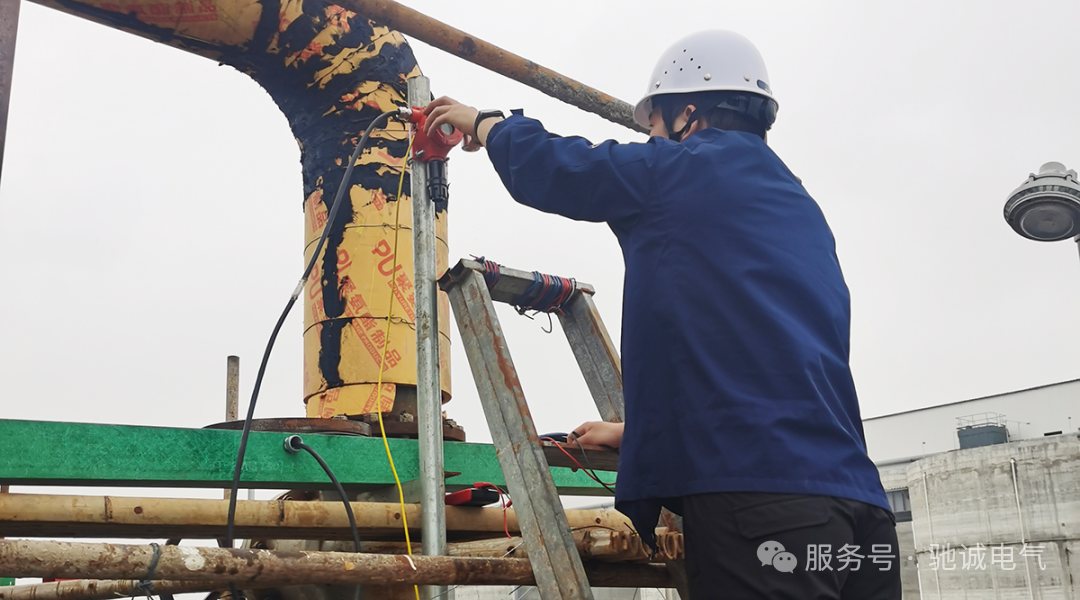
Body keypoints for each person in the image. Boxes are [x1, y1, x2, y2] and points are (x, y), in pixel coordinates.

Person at [425, 30, 900, 599]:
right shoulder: (798, 205)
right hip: (858, 511)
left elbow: (561, 169)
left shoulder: (682, 169)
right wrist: (643, 434)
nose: (651, 142)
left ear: (688, 113)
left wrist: (488, 122)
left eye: (653, 128)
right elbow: (765, 365)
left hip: (761, 508)